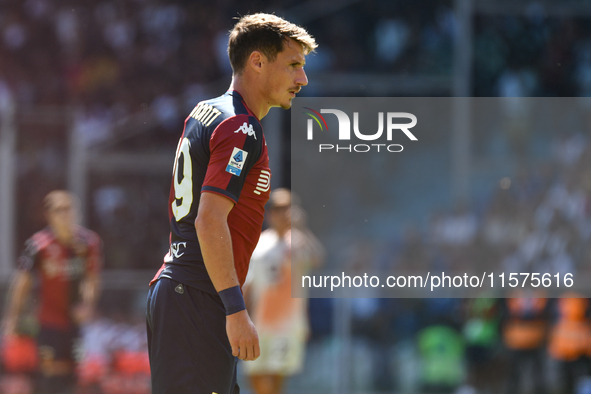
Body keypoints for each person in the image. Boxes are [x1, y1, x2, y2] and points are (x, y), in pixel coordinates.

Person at [146, 13, 317, 394]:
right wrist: (235, 308)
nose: (302, 79)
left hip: (183, 291)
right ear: (257, 61)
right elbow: (209, 220)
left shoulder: (208, 111)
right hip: (198, 295)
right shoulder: (241, 126)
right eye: (293, 65)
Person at [2, 190, 103, 394]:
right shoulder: (38, 246)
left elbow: (92, 279)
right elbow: (22, 283)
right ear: (49, 215)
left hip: (75, 324)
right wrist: (12, 319)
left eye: (69, 209)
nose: (65, 215)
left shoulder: (88, 243)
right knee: (49, 375)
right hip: (47, 323)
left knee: (74, 376)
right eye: (59, 210)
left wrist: (87, 304)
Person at [243, 189, 323, 394]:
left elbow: (317, 259)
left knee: (277, 376)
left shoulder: (299, 242)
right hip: (259, 322)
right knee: (254, 372)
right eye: (278, 208)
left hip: (288, 324)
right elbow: (249, 284)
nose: (282, 213)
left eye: (287, 208)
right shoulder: (259, 242)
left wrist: (301, 228)